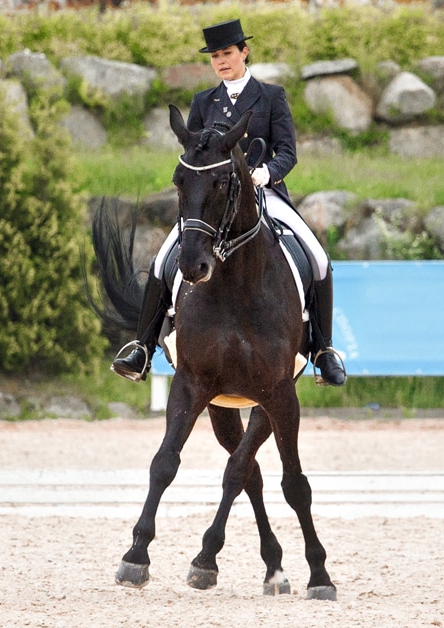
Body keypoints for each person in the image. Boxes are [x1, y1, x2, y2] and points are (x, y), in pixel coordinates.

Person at [111, 18, 347, 387]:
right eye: (215, 56)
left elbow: (287, 151)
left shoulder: (271, 96)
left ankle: (324, 350)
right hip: (213, 203)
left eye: (227, 53)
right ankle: (142, 347)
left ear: (244, 52)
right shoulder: (204, 102)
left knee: (317, 257)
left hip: (262, 193)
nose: (221, 61)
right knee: (163, 259)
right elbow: (193, 151)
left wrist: (265, 174)